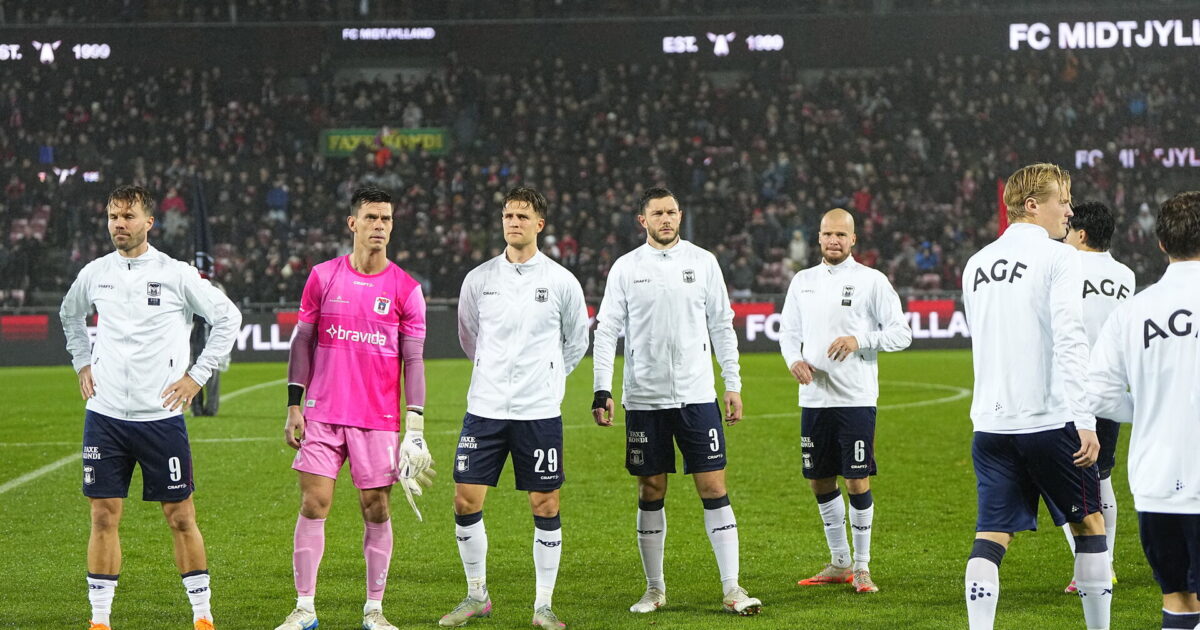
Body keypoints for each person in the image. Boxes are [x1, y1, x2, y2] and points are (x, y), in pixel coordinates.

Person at [60, 184, 242, 630]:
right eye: (113, 216)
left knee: (180, 517)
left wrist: (197, 376)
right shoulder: (95, 273)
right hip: (104, 417)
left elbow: (228, 318)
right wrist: (82, 360)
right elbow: (69, 314)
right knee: (103, 516)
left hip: (161, 418)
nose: (119, 224)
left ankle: (202, 616)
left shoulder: (176, 274)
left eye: (128, 216)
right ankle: (99, 620)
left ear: (149, 222)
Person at [592, 186, 762, 616]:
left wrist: (733, 383)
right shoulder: (626, 268)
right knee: (651, 488)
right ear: (642, 220)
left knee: (714, 485)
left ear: (680, 215)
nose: (665, 219)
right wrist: (602, 388)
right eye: (657, 213)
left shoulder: (703, 262)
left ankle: (732, 588)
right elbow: (607, 330)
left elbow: (722, 325)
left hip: (696, 395)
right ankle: (654, 589)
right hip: (644, 399)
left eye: (671, 212)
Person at [961, 163, 1111, 630]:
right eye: (1062, 201)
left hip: (990, 426)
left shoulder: (976, 263)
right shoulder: (1059, 256)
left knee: (991, 535)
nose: (1069, 211)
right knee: (1089, 524)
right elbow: (1070, 338)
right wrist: (1084, 419)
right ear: (1031, 205)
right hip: (1049, 420)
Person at [276, 186, 432, 630]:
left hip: (377, 419)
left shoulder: (406, 289)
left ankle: (374, 610)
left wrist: (415, 427)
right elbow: (302, 341)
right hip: (322, 413)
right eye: (371, 218)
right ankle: (305, 608)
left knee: (376, 508)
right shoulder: (323, 277)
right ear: (353, 223)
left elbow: (414, 360)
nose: (379, 226)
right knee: (314, 503)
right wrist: (294, 405)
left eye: (386, 219)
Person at [441, 186, 589, 630]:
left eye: (522, 216)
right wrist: (493, 372)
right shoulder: (479, 279)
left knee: (545, 504)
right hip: (484, 409)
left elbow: (576, 341)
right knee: (465, 499)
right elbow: (469, 336)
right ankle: (476, 595)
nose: (513, 222)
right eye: (508, 215)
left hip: (538, 412)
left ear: (539, 224)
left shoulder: (562, 281)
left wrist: (546, 378)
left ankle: (543, 606)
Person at [779, 208, 912, 593]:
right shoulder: (802, 281)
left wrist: (860, 340)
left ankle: (863, 566)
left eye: (841, 234)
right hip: (814, 399)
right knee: (819, 480)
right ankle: (840, 562)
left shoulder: (872, 281)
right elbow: (788, 333)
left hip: (855, 397)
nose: (833, 240)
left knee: (856, 479)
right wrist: (794, 360)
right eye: (827, 234)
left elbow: (901, 334)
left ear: (853, 239)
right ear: (818, 238)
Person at [1087, 190, 1200, 630]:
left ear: (1161, 243)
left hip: (1158, 480)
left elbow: (1098, 395)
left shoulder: (1132, 312)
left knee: (1178, 599)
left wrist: (1151, 409)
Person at [1060, 201, 1135, 593]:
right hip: (1110, 390)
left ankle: (1088, 567)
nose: (1064, 237)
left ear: (1082, 234)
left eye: (1069, 230)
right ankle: (1106, 564)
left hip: (1071, 391)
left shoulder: (1065, 267)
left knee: (1067, 483)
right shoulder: (1126, 275)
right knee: (1102, 475)